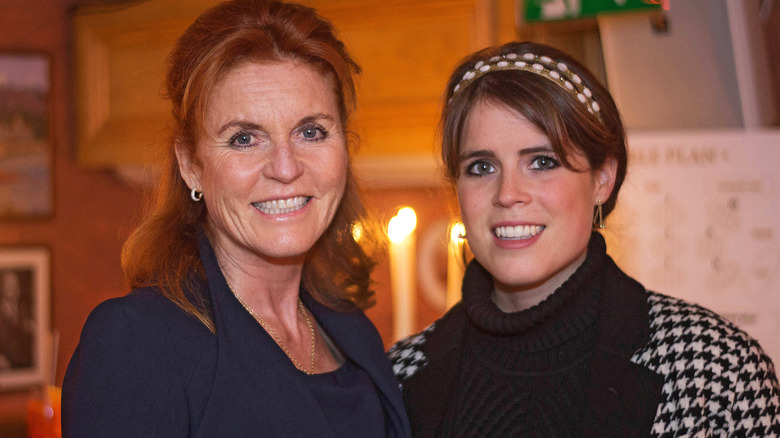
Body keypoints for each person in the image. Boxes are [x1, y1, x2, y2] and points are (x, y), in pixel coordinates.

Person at [388, 41, 780, 437]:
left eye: (542, 162)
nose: (508, 193)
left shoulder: (715, 372)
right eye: (482, 166)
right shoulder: (396, 379)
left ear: (602, 180)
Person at [63, 1, 411, 436]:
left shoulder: (353, 332)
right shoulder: (138, 343)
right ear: (191, 165)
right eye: (244, 138)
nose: (285, 168)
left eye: (311, 132)